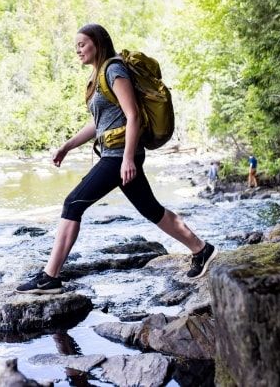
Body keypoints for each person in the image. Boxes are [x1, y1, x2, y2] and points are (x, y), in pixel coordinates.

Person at [16, 24, 217, 295]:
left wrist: (127, 160)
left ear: (98, 44)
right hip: (117, 155)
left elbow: (132, 115)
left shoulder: (114, 70)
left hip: (118, 157)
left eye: (82, 44)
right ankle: (201, 250)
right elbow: (98, 125)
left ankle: (50, 277)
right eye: (76, 45)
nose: (77, 49)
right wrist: (67, 146)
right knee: (151, 209)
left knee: (72, 204)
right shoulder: (98, 76)